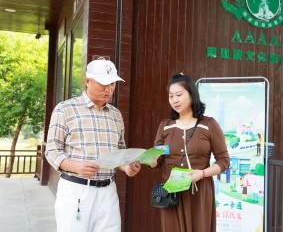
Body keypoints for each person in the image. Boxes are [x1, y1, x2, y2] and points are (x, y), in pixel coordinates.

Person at [45, 58, 141, 232]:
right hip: (76, 190)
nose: (108, 89)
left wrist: (126, 167)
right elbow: (51, 150)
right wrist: (76, 167)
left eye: (112, 83)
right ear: (87, 81)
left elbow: (119, 151)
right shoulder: (65, 109)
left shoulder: (116, 115)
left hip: (108, 191)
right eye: (103, 83)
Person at [151, 73, 230, 232]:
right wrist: (149, 159)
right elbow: (156, 161)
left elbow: (223, 161)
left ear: (192, 94)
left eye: (179, 95)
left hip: (199, 193)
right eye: (171, 96)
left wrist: (202, 173)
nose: (174, 100)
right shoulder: (165, 126)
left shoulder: (209, 124)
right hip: (170, 193)